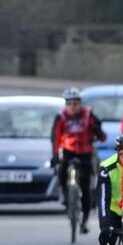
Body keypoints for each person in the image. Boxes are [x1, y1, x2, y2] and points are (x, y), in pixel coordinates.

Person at [49, 87, 105, 234]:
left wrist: (96, 130)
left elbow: (102, 136)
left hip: (85, 153)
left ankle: (85, 220)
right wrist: (55, 155)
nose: (73, 107)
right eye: (70, 104)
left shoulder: (88, 115)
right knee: (61, 173)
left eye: (75, 103)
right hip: (68, 152)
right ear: (66, 105)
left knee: (86, 188)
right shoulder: (60, 117)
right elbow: (55, 138)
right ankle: (68, 201)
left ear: (80, 104)